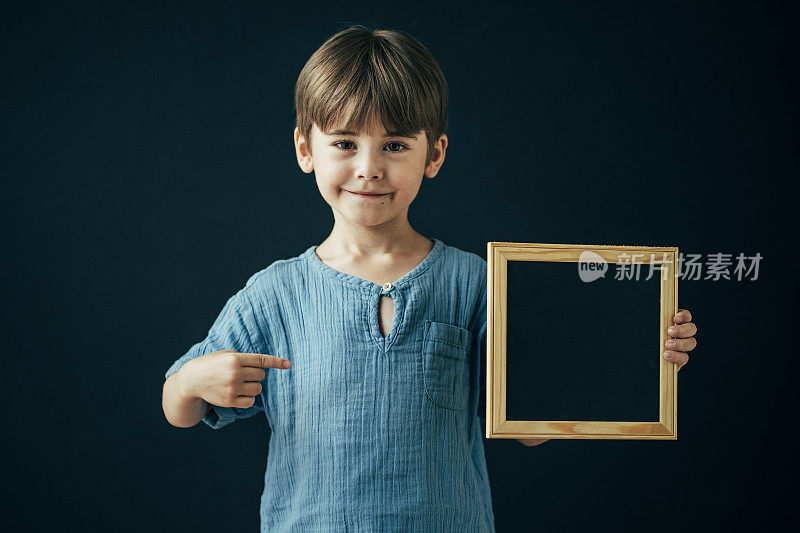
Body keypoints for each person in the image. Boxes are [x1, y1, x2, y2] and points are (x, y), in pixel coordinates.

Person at [161, 25, 699, 531]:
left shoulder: (477, 285)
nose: (369, 167)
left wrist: (636, 352)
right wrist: (191, 382)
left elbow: (533, 428)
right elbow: (180, 408)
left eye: (395, 145)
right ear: (306, 149)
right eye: (345, 143)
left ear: (433, 154)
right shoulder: (274, 294)